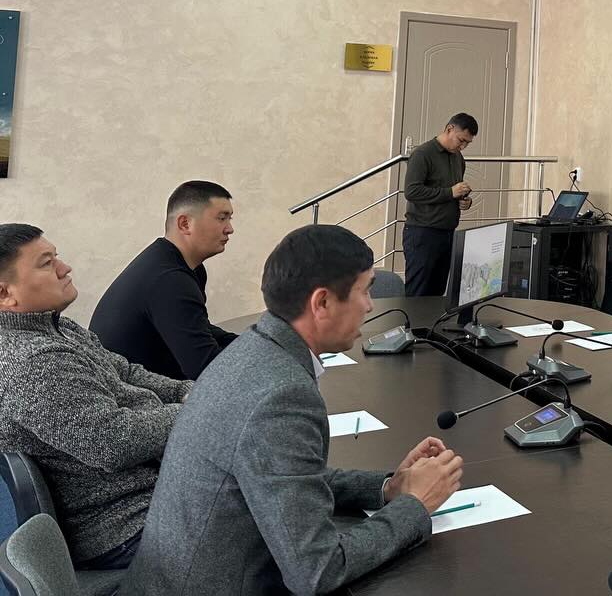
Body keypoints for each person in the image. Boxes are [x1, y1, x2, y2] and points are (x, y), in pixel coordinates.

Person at [123, 224, 463, 595]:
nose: (369, 305)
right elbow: (316, 571)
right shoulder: (281, 395)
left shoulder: (253, 350)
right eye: (365, 290)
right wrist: (414, 504)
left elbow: (286, 479)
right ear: (322, 303)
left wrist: (386, 488)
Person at [0, 223, 188, 569]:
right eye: (46, 263)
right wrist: (200, 409)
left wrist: (192, 392)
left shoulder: (59, 327)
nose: (64, 268)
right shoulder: (31, 362)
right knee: (274, 512)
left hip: (157, 486)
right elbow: (114, 442)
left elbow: (126, 372)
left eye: (56, 257)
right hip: (124, 523)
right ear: (4, 294)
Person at [91, 180, 238, 380]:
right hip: (134, 393)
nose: (229, 229)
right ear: (185, 223)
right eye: (221, 218)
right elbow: (206, 369)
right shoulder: (169, 280)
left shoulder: (182, 266)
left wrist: (251, 343)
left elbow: (198, 327)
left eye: (229, 219)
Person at [401, 113, 476, 297]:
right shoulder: (422, 154)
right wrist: (450, 192)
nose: (463, 146)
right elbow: (411, 191)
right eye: (461, 140)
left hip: (447, 233)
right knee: (418, 294)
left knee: (437, 294)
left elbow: (452, 191)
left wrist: (464, 200)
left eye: (467, 143)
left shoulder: (458, 158)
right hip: (422, 233)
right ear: (449, 129)